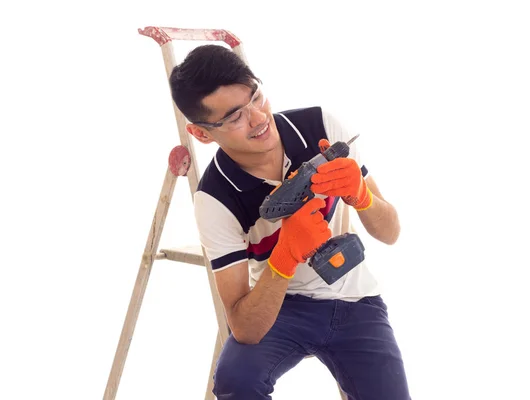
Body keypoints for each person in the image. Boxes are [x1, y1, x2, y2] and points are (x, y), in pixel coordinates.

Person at [168, 44, 411, 400]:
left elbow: (390, 233)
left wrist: (362, 195)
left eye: (256, 96)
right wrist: (284, 257)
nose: (258, 118)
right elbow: (245, 328)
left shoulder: (321, 126)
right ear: (202, 134)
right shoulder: (215, 200)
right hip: (282, 307)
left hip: (355, 297)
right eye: (235, 117)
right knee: (237, 379)